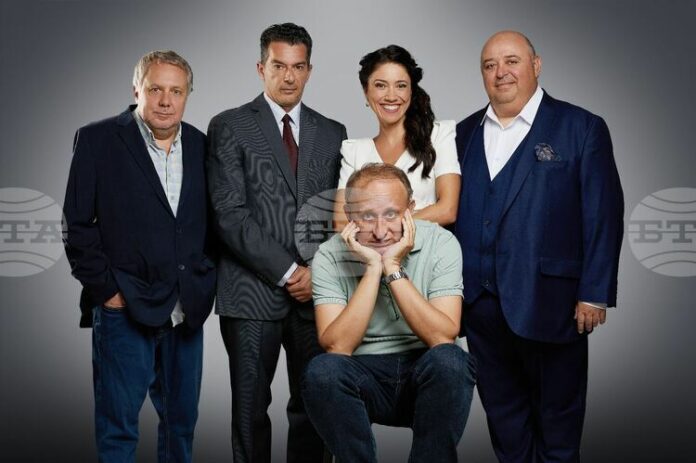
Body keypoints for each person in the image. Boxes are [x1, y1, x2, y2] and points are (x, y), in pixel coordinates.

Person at [454, 30, 624, 462]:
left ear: (536, 65)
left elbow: (603, 214)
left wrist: (594, 292)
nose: (501, 72)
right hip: (479, 306)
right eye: (490, 65)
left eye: (511, 61)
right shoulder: (462, 133)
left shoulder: (580, 127)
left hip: (553, 302)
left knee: (557, 426)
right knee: (505, 424)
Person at [63, 50, 216, 462]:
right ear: (137, 90)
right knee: (118, 429)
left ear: (187, 95)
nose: (166, 101)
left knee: (181, 425)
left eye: (176, 91)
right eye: (155, 89)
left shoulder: (201, 145)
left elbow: (209, 223)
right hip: (124, 308)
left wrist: (204, 280)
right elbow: (76, 224)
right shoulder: (97, 140)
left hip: (185, 310)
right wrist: (108, 292)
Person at [206, 23, 347, 463]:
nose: (289, 76)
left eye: (298, 67)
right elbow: (229, 214)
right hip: (252, 293)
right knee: (250, 414)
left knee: (315, 408)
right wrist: (290, 273)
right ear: (260, 67)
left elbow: (338, 214)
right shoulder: (229, 126)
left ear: (309, 70)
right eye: (279, 65)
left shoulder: (333, 132)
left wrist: (318, 273)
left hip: (316, 296)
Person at [303, 163, 476, 463]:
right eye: (368, 216)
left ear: (410, 210)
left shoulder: (441, 242)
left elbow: (442, 336)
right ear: (350, 214)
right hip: (362, 374)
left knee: (451, 361)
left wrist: (393, 268)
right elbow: (337, 347)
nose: (381, 232)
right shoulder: (329, 255)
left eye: (392, 215)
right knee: (322, 371)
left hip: (425, 370)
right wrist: (373, 268)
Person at [333, 45, 460, 229]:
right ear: (366, 91)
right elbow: (341, 221)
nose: (391, 96)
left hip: (426, 248)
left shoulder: (439, 136)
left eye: (401, 86)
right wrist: (404, 221)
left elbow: (447, 210)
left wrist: (378, 225)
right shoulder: (354, 151)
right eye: (380, 85)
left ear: (411, 91)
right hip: (366, 250)